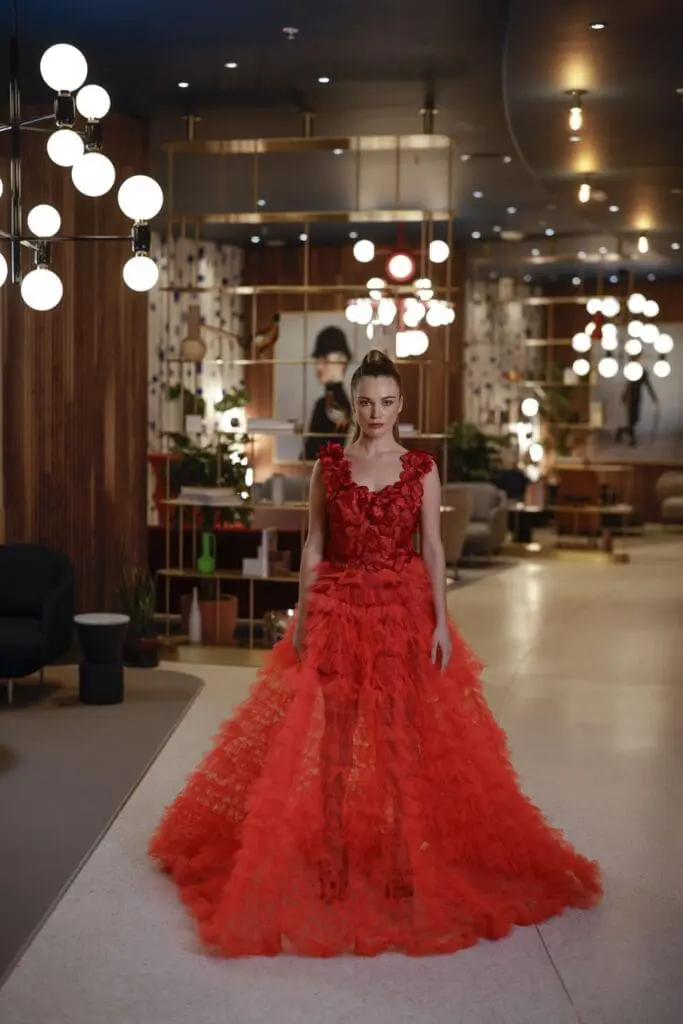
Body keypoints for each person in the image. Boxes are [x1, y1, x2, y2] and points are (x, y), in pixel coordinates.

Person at [149, 349, 602, 958]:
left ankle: (399, 854)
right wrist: (303, 618)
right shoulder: (329, 464)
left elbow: (434, 549)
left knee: (398, 738)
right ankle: (332, 854)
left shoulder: (420, 467)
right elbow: (314, 544)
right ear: (351, 403)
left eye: (387, 402)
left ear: (401, 406)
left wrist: (442, 623)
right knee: (334, 739)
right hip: (337, 610)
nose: (376, 412)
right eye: (365, 401)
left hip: (402, 613)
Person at [303, 325, 353, 461]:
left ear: (342, 360)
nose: (318, 366)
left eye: (324, 359)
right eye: (318, 360)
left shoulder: (331, 405)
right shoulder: (330, 403)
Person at [615, 356, 659, 447]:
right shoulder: (631, 370)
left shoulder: (643, 372)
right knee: (631, 419)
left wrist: (654, 398)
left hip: (637, 396)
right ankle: (632, 439)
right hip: (631, 396)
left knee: (635, 419)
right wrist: (624, 396)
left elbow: (648, 385)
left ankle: (620, 431)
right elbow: (628, 384)